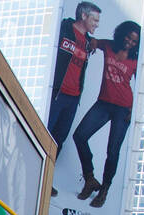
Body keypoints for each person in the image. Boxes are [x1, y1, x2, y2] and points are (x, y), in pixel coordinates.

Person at [70, 20, 139, 208]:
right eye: (128, 38)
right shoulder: (109, 45)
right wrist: (92, 43)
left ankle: (104, 189)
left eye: (135, 41)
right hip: (104, 103)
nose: (130, 43)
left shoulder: (136, 59)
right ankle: (90, 178)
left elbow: (142, 86)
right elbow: (95, 42)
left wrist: (133, 110)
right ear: (122, 33)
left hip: (123, 109)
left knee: (112, 151)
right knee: (80, 135)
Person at [46, 2, 101, 153]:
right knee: (44, 132)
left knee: (58, 140)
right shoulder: (63, 28)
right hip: (57, 94)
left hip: (73, 99)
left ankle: (47, 174)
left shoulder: (89, 42)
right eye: (95, 20)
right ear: (83, 16)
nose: (97, 24)